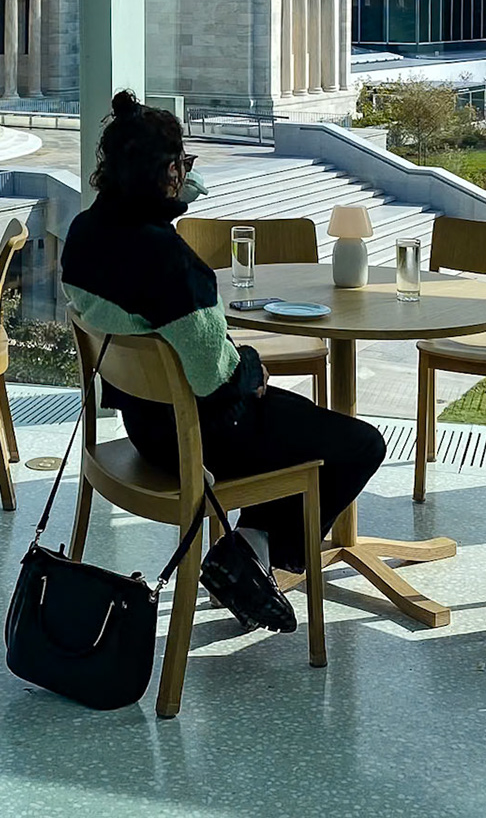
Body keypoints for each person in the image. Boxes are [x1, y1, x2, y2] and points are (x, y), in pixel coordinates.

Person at [60, 91, 386, 631]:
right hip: (202, 437)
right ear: (168, 172)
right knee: (357, 444)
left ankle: (251, 546)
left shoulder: (84, 233)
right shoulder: (166, 258)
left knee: (299, 422)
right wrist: (253, 367)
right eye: (183, 164)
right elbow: (214, 374)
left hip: (145, 428)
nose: (187, 175)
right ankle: (254, 552)